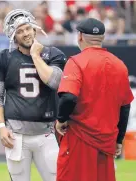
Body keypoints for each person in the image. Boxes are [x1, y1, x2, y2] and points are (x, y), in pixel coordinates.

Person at [0, 9, 66, 181]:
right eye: (20, 31)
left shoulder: (52, 54)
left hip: (46, 133)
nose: (25, 33)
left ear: (34, 28)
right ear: (13, 36)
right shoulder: (3, 58)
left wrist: (35, 56)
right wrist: (1, 127)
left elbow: (56, 82)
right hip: (16, 135)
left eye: (27, 28)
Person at [56, 18, 134, 181]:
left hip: (79, 138)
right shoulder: (119, 65)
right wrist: (119, 140)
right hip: (106, 142)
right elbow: (125, 106)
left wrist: (61, 119)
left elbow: (69, 97)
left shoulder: (76, 62)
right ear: (102, 37)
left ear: (80, 36)